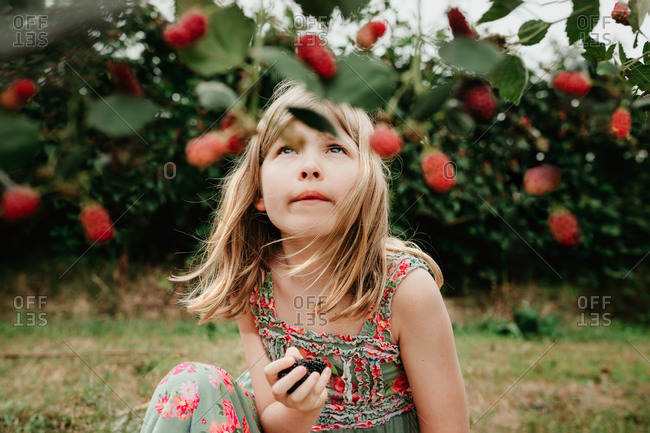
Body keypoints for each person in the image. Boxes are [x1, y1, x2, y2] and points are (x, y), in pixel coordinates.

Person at [140, 80, 470, 433]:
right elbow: (272, 421)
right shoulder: (254, 279)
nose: (310, 166)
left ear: (366, 182)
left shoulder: (405, 289)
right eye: (287, 150)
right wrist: (301, 411)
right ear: (259, 191)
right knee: (191, 385)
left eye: (334, 148)